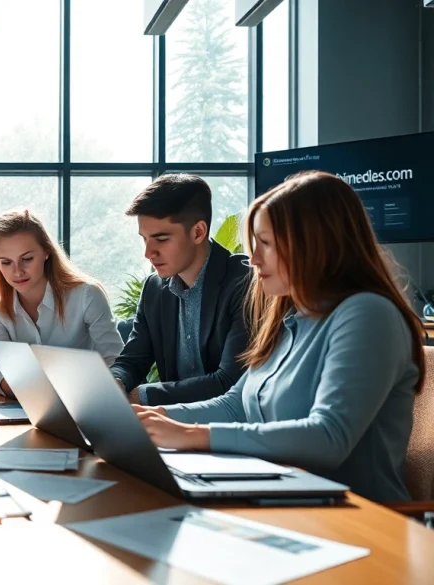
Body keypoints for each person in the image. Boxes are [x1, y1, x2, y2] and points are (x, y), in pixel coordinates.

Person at [134, 171, 425, 503]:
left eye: (266, 244)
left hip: (358, 519)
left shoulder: (368, 314)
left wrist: (194, 435)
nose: (254, 259)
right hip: (283, 498)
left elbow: (328, 436)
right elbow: (235, 405)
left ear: (314, 243)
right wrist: (158, 417)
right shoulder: (288, 318)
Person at [110, 174, 252, 406]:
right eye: (144, 239)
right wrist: (116, 381)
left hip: (228, 430)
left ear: (198, 232)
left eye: (161, 239)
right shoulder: (154, 289)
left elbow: (231, 382)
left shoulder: (244, 281)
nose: (148, 253)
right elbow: (132, 360)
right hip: (169, 429)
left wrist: (141, 396)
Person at [0, 209, 124, 397]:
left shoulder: (87, 295)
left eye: (27, 259)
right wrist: (36, 393)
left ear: (46, 251)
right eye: (6, 262)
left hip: (87, 399)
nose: (17, 272)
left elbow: (116, 361)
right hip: (27, 404)